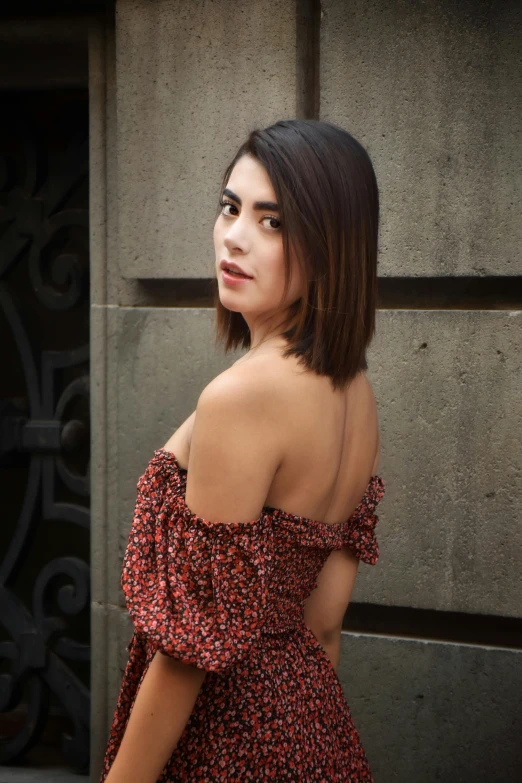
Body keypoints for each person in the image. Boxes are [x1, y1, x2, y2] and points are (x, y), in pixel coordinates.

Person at [100, 119, 386, 782]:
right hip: (314, 732)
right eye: (230, 207)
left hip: (224, 740)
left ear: (330, 246)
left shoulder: (243, 397)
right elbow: (321, 629)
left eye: (273, 222)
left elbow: (187, 651)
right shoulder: (357, 395)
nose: (234, 235)